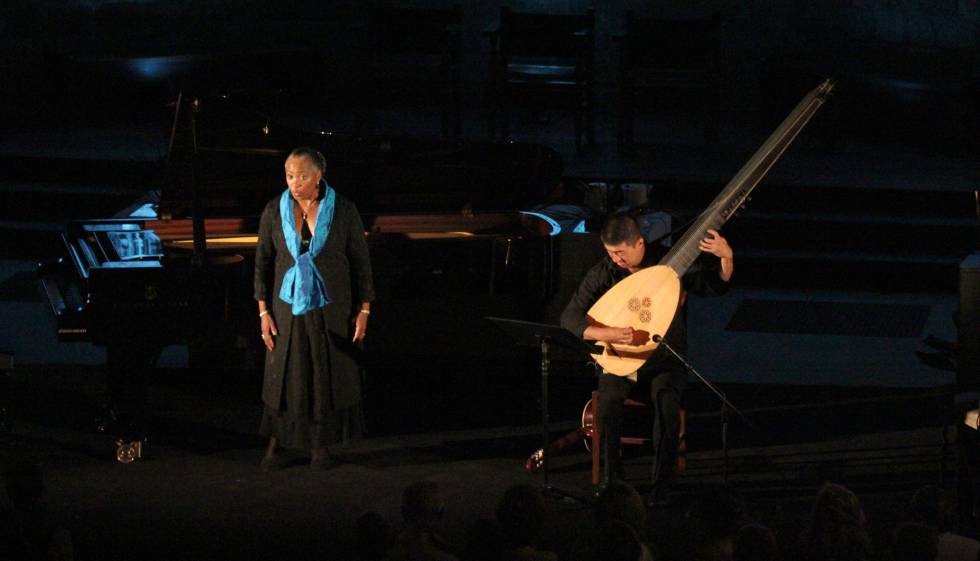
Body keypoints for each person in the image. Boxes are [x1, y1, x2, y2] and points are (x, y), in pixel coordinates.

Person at [560, 212, 733, 499]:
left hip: (665, 360)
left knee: (667, 410)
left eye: (620, 252)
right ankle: (614, 482)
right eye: (610, 253)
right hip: (622, 359)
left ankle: (661, 486)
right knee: (608, 405)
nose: (616, 259)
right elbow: (569, 316)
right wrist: (607, 334)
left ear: (640, 243)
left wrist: (726, 258)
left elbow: (713, 285)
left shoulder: (671, 264)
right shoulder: (606, 272)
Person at [254, 146, 375, 470]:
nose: (295, 182)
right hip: (285, 309)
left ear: (320, 175)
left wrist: (364, 310)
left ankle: (321, 446)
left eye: (303, 176)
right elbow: (263, 262)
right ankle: (276, 444)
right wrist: (263, 312)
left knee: (323, 374)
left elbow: (361, 262)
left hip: (331, 307)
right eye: (289, 175)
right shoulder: (273, 210)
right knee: (285, 376)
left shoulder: (344, 210)